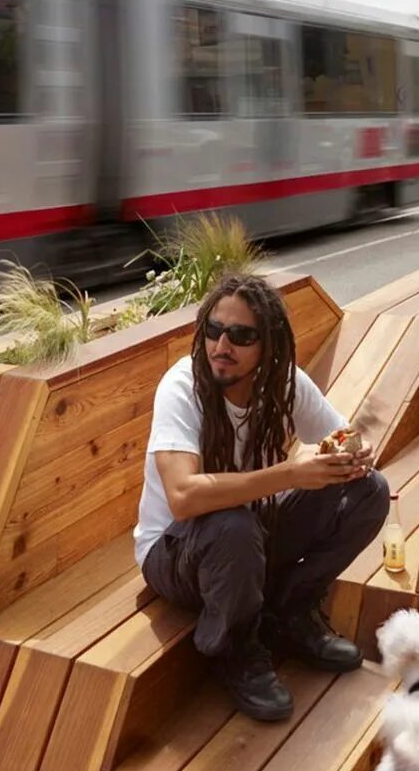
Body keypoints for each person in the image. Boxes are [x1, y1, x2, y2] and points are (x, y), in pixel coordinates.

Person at [135, 273, 391, 723]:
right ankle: (235, 651)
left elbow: (340, 434)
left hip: (246, 537)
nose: (221, 345)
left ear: (268, 345)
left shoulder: (283, 381)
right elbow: (182, 497)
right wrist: (290, 473)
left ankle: (290, 612)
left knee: (368, 490)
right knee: (232, 524)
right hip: (176, 552)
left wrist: (354, 452)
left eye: (241, 335)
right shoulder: (182, 386)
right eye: (214, 330)